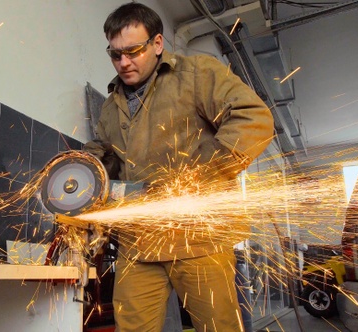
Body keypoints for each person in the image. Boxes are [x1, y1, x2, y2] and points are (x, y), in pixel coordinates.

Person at [84, 2, 274, 332]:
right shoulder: (110, 105)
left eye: (133, 51)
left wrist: (199, 176)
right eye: (115, 54)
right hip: (138, 242)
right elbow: (107, 156)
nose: (124, 62)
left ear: (158, 44)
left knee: (219, 327)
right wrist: (83, 169)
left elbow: (253, 118)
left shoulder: (196, 73)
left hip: (199, 236)